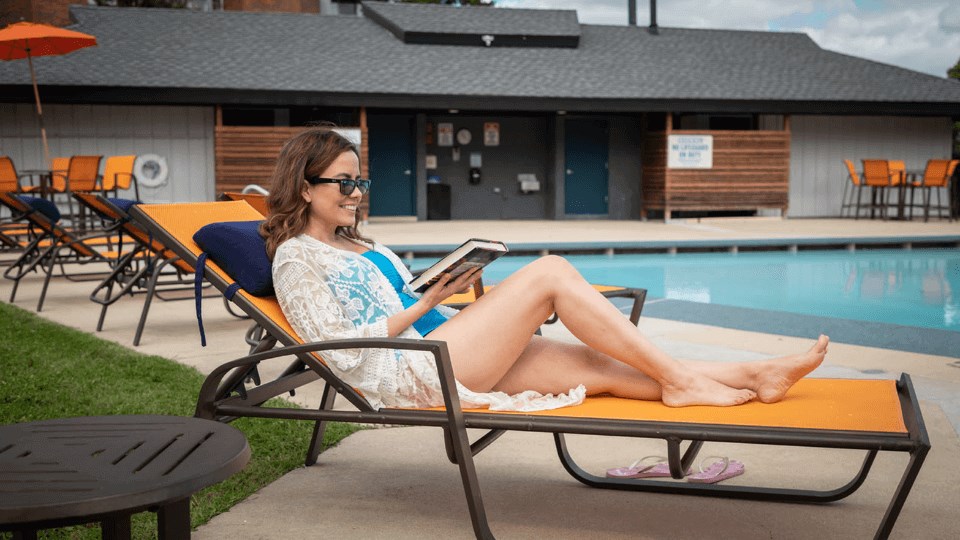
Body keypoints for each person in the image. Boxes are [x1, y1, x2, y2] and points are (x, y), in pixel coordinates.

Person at [262, 127, 828, 412]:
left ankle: (755, 374)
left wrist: (454, 286)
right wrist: (429, 303)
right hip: (410, 371)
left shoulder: (360, 245)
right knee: (550, 272)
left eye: (360, 181)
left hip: (444, 344)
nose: (356, 192)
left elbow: (405, 299)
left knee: (598, 365)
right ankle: (683, 383)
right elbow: (335, 351)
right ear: (304, 187)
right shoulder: (296, 257)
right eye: (343, 182)